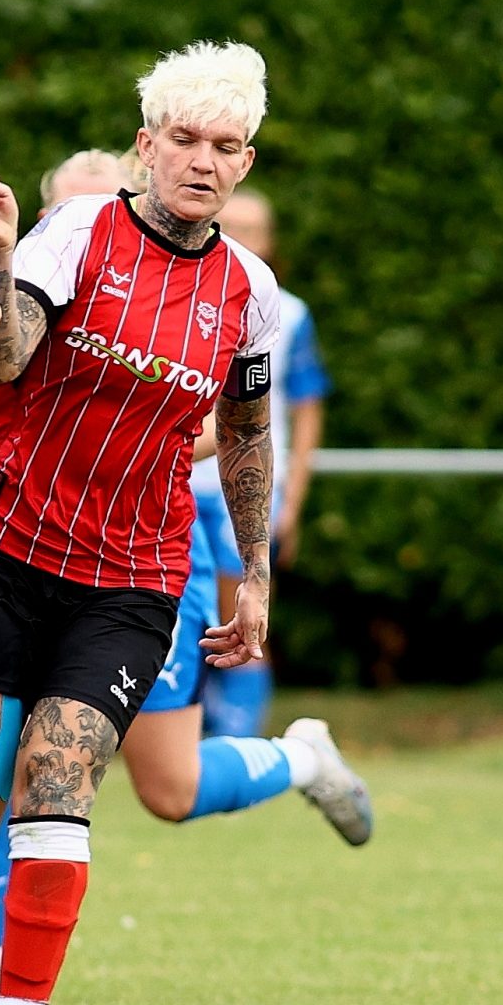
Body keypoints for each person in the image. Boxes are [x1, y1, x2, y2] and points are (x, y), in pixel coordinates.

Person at [0, 42, 367, 1005]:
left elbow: (244, 434)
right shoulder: (80, 230)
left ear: (245, 162)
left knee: (61, 784)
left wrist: (255, 579)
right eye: (183, 139)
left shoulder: (250, 293)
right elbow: (6, 362)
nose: (203, 160)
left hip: (131, 579)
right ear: (145, 146)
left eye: (225, 147)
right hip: (1, 550)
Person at [191, 189, 330, 738]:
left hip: (241, 491)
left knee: (240, 617)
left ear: (271, 242)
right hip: (178, 482)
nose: (242, 238)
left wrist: (290, 499)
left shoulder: (289, 313)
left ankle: (238, 742)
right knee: (180, 620)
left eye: (254, 229)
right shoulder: (185, 298)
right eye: (231, 226)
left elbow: (305, 408)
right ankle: (185, 739)